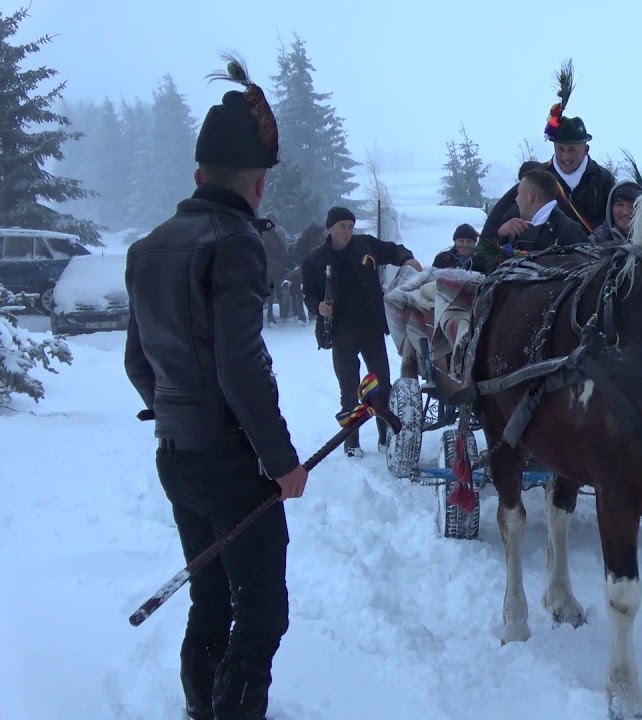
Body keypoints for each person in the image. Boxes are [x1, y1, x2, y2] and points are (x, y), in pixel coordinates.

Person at [123, 55, 306, 720]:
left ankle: (202, 710)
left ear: (199, 176)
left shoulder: (147, 248)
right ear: (259, 186)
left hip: (176, 454)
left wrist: (174, 412)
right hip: (232, 462)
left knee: (210, 598)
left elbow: (137, 361)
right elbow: (241, 362)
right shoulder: (236, 242)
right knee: (260, 614)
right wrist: (281, 462)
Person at [300, 206, 422, 457]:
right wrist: (318, 306)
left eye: (350, 226)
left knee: (382, 386)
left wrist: (407, 258)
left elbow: (392, 250)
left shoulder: (365, 245)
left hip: (371, 328)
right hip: (341, 332)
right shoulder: (315, 259)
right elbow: (309, 293)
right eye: (342, 226)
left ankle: (385, 437)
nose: (347, 231)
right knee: (349, 390)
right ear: (330, 228)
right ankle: (351, 442)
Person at [480, 65, 614, 242]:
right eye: (560, 149)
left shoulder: (603, 180)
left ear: (586, 149)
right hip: (544, 263)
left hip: (593, 263)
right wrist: (501, 231)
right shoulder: (537, 179)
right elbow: (492, 229)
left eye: (572, 149)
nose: (565, 156)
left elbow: (620, 223)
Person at [589, 180, 642, 247]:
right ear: (610, 207)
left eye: (632, 206)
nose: (625, 212)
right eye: (619, 205)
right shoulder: (596, 239)